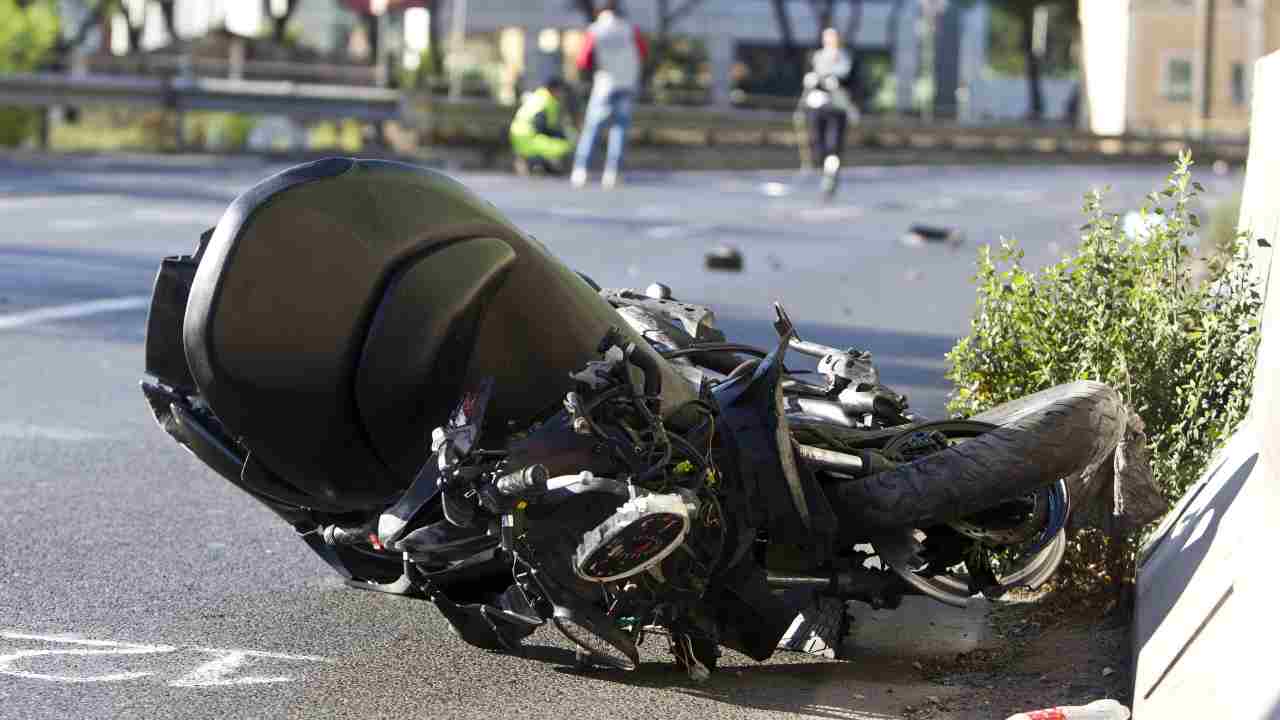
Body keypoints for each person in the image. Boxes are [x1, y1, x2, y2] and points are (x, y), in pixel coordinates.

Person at [570, 0, 648, 189]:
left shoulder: (595, 30)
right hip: (626, 84)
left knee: (592, 128)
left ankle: (581, 170)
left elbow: (583, 60)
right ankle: (613, 172)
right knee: (619, 129)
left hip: (605, 83)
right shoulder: (630, 29)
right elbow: (642, 52)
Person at [802, 27, 859, 198]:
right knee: (817, 143)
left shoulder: (847, 59)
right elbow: (808, 76)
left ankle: (830, 177)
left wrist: (839, 84)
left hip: (837, 106)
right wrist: (810, 80)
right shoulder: (815, 57)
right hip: (818, 105)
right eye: (827, 37)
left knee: (833, 144)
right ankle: (825, 169)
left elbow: (853, 82)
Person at [509, 76, 576, 176]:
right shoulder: (546, 102)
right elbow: (541, 127)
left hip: (519, 137)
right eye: (561, 91)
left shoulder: (539, 96)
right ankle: (541, 162)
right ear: (555, 90)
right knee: (565, 146)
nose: (562, 95)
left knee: (559, 142)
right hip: (528, 139)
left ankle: (537, 162)